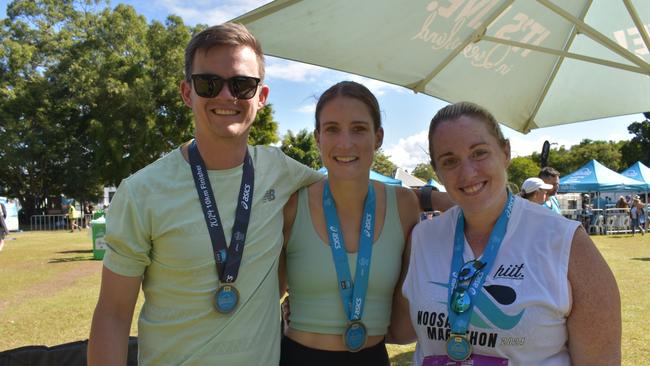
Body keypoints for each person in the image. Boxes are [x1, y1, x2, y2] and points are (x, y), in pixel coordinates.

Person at [88, 23, 323, 366]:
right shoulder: (142, 192)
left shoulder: (280, 170)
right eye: (208, 83)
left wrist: (426, 199)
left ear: (261, 97)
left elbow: (348, 187)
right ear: (187, 93)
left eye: (242, 85)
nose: (226, 96)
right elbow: (112, 313)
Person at [397, 102, 621, 365]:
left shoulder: (565, 242)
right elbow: (399, 330)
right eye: (450, 161)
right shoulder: (423, 239)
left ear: (505, 153)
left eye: (479, 153)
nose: (467, 172)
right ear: (437, 171)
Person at [279, 81, 419, 365]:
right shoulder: (292, 205)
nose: (345, 143)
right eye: (332, 129)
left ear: (378, 137)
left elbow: (404, 310)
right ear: (318, 137)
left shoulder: (404, 206)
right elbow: (267, 298)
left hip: (374, 357)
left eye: (358, 129)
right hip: (299, 357)